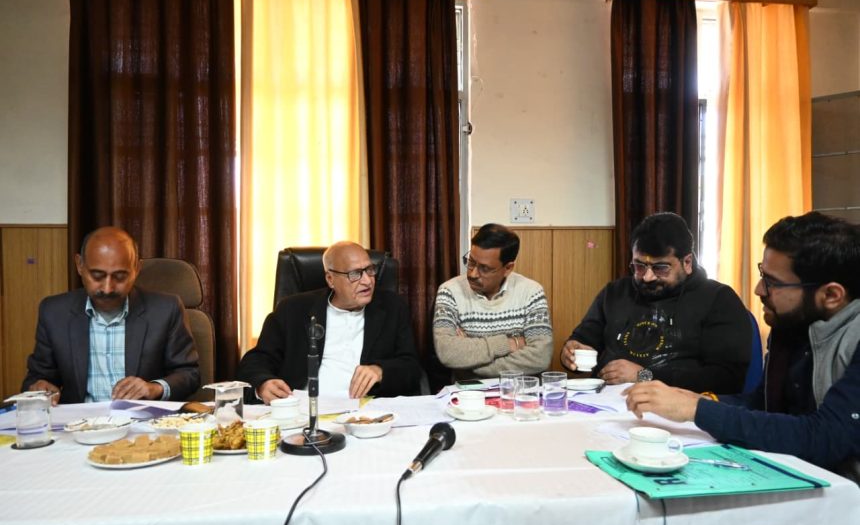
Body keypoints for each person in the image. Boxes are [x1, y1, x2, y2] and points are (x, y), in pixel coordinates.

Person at [625, 212, 860, 478]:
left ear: (831, 295)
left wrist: (696, 410)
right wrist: (697, 400)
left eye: (772, 283)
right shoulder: (793, 326)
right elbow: (763, 404)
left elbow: (827, 437)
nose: (759, 290)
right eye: (763, 275)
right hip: (791, 473)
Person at [561, 212, 751, 393]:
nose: (647, 277)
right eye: (639, 266)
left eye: (660, 268)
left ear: (687, 262)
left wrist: (644, 376)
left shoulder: (718, 299)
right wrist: (570, 352)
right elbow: (583, 340)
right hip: (604, 402)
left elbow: (728, 379)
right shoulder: (615, 293)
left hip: (675, 407)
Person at [22, 227, 200, 404]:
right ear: (80, 265)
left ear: (137, 269)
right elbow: (37, 377)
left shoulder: (165, 310)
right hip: (80, 419)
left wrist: (154, 388)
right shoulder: (54, 312)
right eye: (97, 276)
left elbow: (189, 374)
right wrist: (40, 387)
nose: (107, 288)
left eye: (120, 277)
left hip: (142, 418)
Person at [238, 241, 423, 403]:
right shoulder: (292, 310)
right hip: (304, 411)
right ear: (331, 279)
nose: (367, 281)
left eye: (369, 270)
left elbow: (412, 367)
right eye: (355, 274)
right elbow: (255, 361)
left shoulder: (392, 307)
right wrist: (263, 383)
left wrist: (380, 370)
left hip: (365, 415)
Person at [432, 223, 553, 380]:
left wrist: (470, 363)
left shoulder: (531, 292)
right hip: (469, 391)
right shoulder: (450, 291)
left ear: (508, 268)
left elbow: (540, 358)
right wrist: (509, 344)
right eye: (471, 262)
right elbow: (448, 353)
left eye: (485, 268)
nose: (473, 274)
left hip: (520, 390)